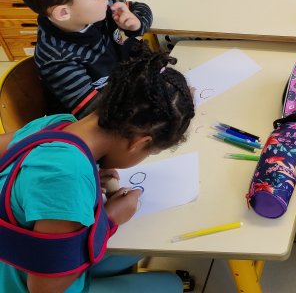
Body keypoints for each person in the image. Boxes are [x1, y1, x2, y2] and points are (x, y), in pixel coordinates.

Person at [0, 42, 195, 293]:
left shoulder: (57, 124)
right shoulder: (67, 177)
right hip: (23, 284)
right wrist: (110, 219)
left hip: (21, 255)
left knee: (150, 241)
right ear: (139, 142)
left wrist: (87, 172)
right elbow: (44, 288)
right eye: (150, 152)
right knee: (169, 285)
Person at [15, 0, 153, 118]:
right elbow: (96, 113)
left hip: (125, 88)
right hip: (98, 117)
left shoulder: (102, 9)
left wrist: (136, 24)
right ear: (63, 13)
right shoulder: (57, 59)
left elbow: (141, 7)